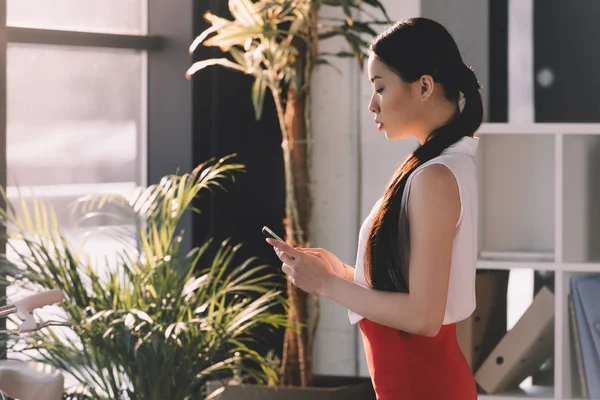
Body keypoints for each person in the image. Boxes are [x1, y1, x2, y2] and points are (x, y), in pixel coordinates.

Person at [267, 17, 483, 400]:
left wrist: (329, 286)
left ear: (425, 87)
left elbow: (423, 317)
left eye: (380, 88)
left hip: (422, 386)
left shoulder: (434, 176)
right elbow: (411, 289)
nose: (371, 105)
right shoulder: (433, 165)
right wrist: (344, 274)